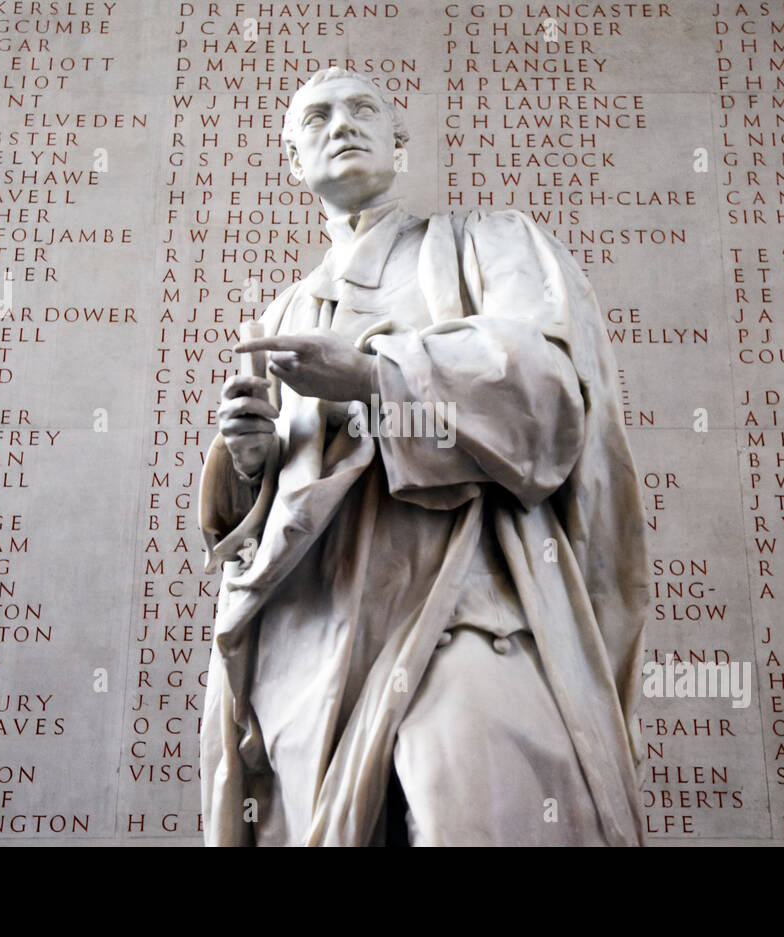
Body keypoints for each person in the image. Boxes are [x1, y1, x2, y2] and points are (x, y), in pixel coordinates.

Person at [198, 67, 650, 846]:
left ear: (401, 145)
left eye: (363, 109)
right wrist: (250, 464)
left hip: (466, 617)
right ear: (290, 160)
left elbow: (547, 399)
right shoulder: (284, 313)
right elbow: (253, 539)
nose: (340, 124)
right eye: (317, 116)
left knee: (475, 813)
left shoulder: (489, 246)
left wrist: (376, 376)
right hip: (309, 657)